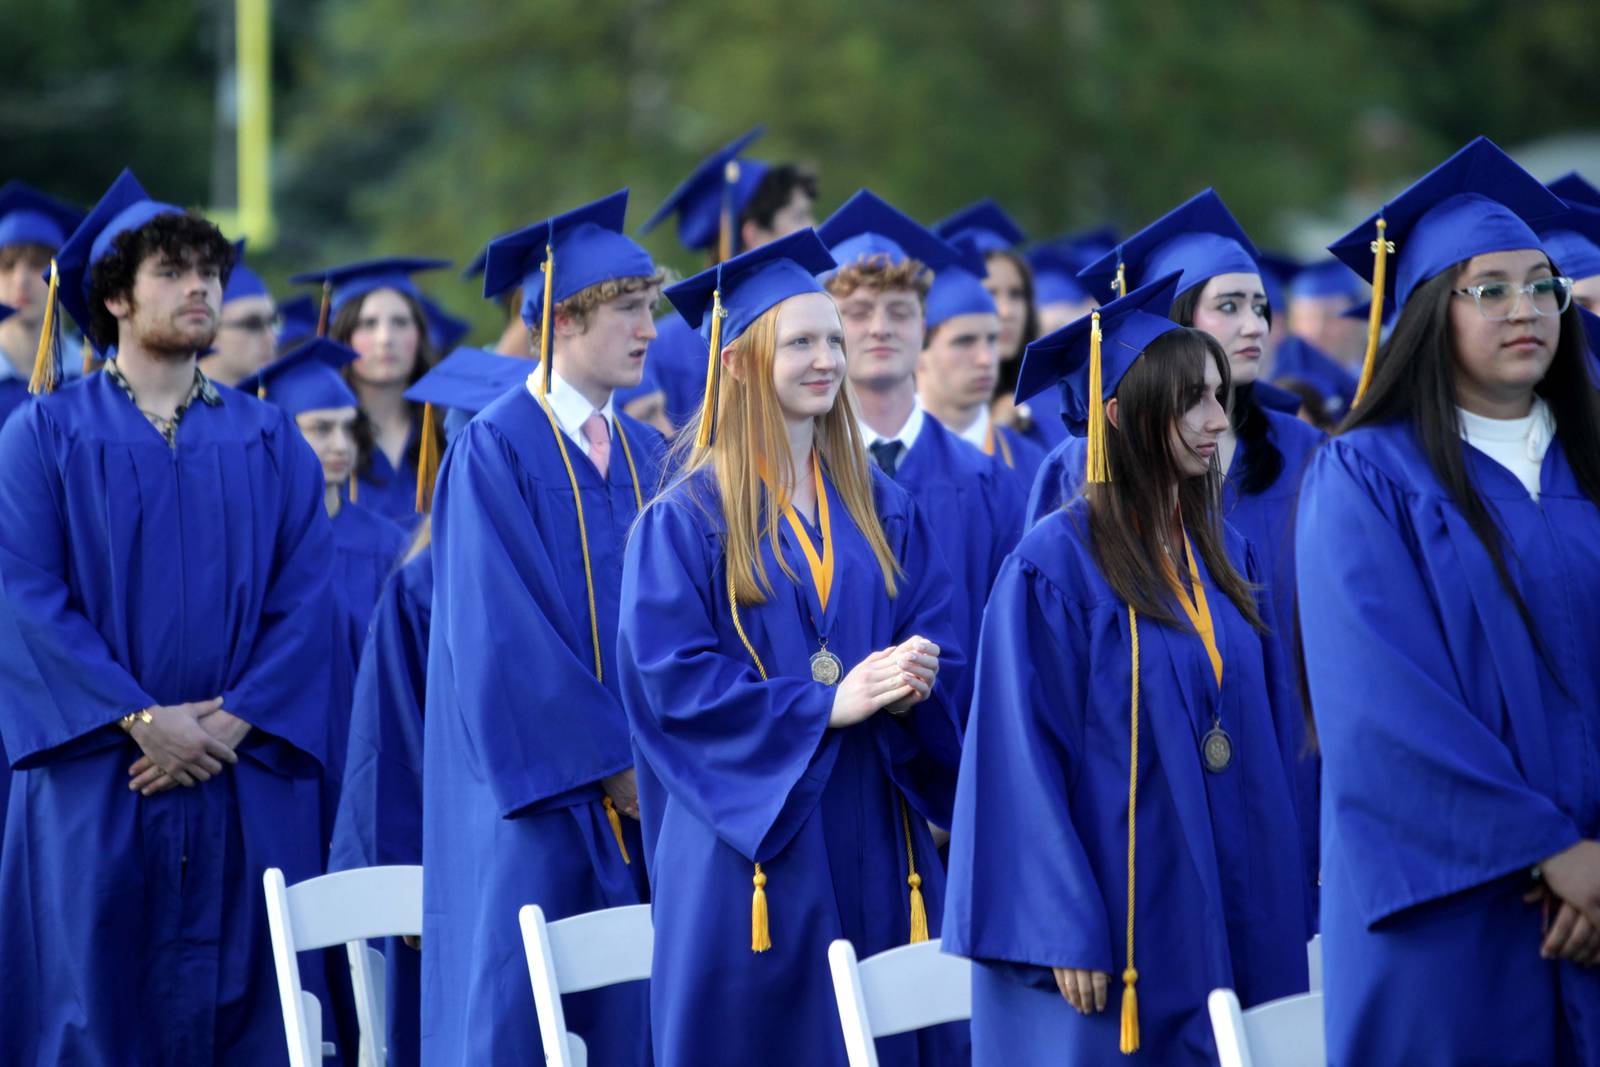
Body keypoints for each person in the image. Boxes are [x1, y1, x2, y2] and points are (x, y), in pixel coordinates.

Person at [0, 169, 338, 1064]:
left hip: (238, 774)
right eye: (171, 272)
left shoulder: (269, 441)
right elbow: (21, 597)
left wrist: (230, 718)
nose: (201, 287)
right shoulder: (43, 437)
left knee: (254, 1016)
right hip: (101, 781)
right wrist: (141, 720)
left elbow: (309, 598)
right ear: (113, 296)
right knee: (92, 1010)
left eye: (210, 272)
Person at [618, 229, 965, 1067]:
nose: (827, 359)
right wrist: (827, 702)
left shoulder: (885, 508)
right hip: (752, 853)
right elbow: (672, 685)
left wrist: (915, 675)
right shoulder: (685, 520)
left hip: (875, 829)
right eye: (802, 340)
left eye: (834, 340)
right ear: (739, 362)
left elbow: (935, 627)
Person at [944, 273, 1309, 1066]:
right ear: (1121, 415)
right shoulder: (1055, 563)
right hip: (1117, 914)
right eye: (1193, 401)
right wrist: (1058, 921)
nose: (1219, 418)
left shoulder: (1222, 551)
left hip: (1223, 881)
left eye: (1220, 394)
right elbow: (1016, 757)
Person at [1305, 136, 1600, 1067]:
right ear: (1432, 310)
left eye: (1544, 286)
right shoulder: (1366, 476)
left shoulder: (1591, 466)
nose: (1528, 309)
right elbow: (1383, 701)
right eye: (1493, 289)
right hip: (1456, 915)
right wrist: (1551, 852)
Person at [422, 190, 665, 1065]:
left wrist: (664, 753)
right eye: (630, 309)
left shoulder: (649, 455)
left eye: (650, 308)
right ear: (563, 317)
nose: (650, 329)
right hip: (543, 802)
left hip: (652, 799)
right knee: (529, 1018)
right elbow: (500, 637)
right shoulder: (493, 446)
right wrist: (613, 763)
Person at [327, 344, 529, 1067]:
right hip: (461, 858)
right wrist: (413, 870)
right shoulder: (421, 585)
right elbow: (393, 742)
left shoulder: (577, 562)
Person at [818, 188, 1023, 718]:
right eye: (857, 312)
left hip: (961, 759)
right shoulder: (796, 477)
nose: (880, 326)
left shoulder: (990, 483)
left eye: (900, 311)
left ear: (923, 325)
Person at [640, 125, 819, 428]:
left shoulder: (818, 326)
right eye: (798, 216)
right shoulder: (663, 349)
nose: (814, 226)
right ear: (752, 233)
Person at [239, 337, 408, 657]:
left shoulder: (389, 546)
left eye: (348, 428)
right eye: (322, 429)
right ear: (279, 434)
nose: (342, 445)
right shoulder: (246, 544)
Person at [291, 256, 449, 529]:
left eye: (400, 322)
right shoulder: (317, 439)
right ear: (343, 336)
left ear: (420, 335)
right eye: (368, 324)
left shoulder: (448, 433)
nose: (385, 339)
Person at [934, 198, 1060, 450]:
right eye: (990, 293)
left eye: (1016, 294)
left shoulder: (1053, 404)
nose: (1006, 312)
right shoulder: (925, 413)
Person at [917, 252, 1046, 487]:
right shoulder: (886, 459)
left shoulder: (1034, 465)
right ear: (916, 349)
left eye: (993, 339)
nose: (986, 359)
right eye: (964, 341)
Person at [0, 181, 84, 421]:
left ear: (65, 275)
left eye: (38, 264)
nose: (21, 280)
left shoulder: (93, 376)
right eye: (7, 266)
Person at [200, 238, 277, 387]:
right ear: (207, 330)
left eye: (274, 321)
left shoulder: (276, 408)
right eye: (252, 324)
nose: (271, 338)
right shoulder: (171, 407)